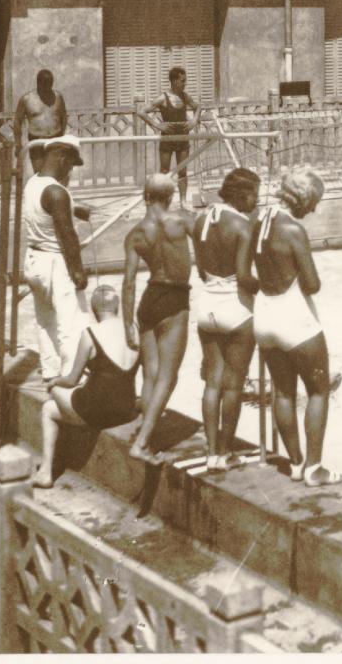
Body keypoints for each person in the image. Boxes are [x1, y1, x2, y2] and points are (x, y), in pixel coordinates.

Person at [235, 168, 342, 486]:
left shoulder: (257, 221)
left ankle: (295, 463)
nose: (314, 210)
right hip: (294, 316)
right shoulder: (294, 230)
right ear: (303, 200)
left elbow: (243, 273)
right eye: (313, 203)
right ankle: (315, 468)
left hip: (264, 315)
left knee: (282, 391)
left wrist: (266, 286)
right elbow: (311, 284)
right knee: (319, 390)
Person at [123, 173, 199, 464]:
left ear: (145, 197)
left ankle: (147, 431)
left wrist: (127, 321)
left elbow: (128, 282)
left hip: (149, 299)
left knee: (151, 373)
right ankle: (142, 442)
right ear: (169, 198)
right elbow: (206, 252)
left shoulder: (136, 234)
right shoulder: (181, 222)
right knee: (169, 375)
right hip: (175, 298)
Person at [33, 285, 139, 489]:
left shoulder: (90, 334)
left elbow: (71, 380)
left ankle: (46, 471)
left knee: (49, 406)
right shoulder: (133, 330)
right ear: (117, 307)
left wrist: (53, 382)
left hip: (96, 412)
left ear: (94, 309)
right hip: (125, 410)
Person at [192, 167, 262, 472]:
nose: (256, 202)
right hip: (235, 307)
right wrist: (267, 289)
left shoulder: (200, 221)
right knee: (233, 386)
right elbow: (244, 277)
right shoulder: (243, 226)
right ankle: (225, 452)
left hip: (206, 305)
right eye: (254, 196)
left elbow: (201, 271)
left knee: (212, 383)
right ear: (242, 195)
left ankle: (210, 453)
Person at [22, 135, 94, 383]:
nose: (71, 170)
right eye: (71, 164)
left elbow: (49, 208)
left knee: (45, 321)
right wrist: (78, 272)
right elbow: (67, 234)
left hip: (34, 259)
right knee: (71, 323)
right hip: (55, 262)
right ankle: (71, 376)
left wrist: (75, 208)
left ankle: (51, 370)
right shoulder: (57, 192)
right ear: (61, 157)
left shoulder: (33, 184)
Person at [144, 66, 201, 207]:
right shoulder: (163, 98)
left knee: (183, 170)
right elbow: (142, 111)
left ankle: (183, 202)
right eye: (182, 81)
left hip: (182, 137)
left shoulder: (184, 96)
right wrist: (157, 125)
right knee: (164, 172)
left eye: (185, 81)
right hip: (168, 138)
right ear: (174, 81)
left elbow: (198, 107)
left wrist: (194, 120)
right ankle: (162, 203)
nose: (184, 83)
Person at [13, 69, 67, 175]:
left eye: (50, 84)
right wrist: (18, 144)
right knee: (40, 175)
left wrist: (62, 136)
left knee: (55, 174)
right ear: (39, 83)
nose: (48, 88)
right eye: (45, 85)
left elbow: (63, 117)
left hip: (55, 139)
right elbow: (17, 121)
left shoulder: (58, 97)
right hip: (36, 140)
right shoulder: (26, 99)